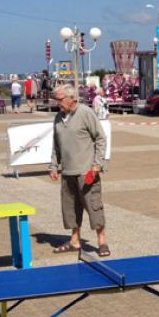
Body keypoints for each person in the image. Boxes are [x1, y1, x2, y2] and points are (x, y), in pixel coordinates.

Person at [49, 85, 109, 256]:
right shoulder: (58, 118)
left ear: (72, 98)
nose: (57, 103)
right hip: (68, 172)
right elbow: (56, 145)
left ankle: (102, 241)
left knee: (93, 206)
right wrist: (53, 165)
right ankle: (74, 241)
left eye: (59, 99)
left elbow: (100, 138)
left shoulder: (85, 113)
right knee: (70, 209)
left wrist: (97, 164)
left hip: (87, 171)